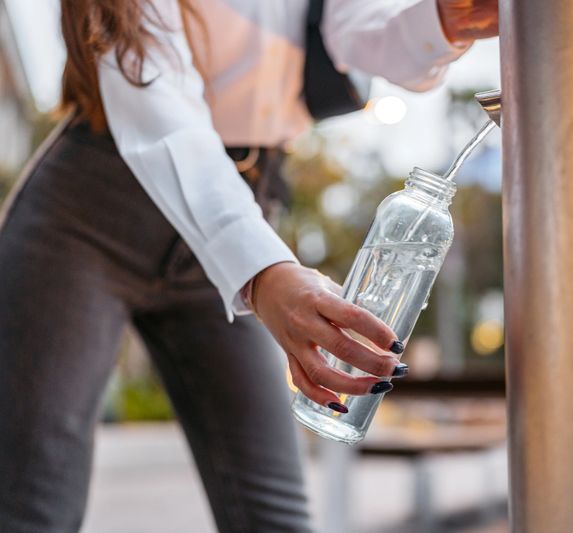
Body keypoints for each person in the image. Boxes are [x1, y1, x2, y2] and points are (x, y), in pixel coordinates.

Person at [0, 0, 498, 531]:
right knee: (34, 507)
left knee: (275, 516)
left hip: (243, 208)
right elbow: (152, 90)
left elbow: (355, 31)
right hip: (93, 214)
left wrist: (446, 20)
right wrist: (261, 270)